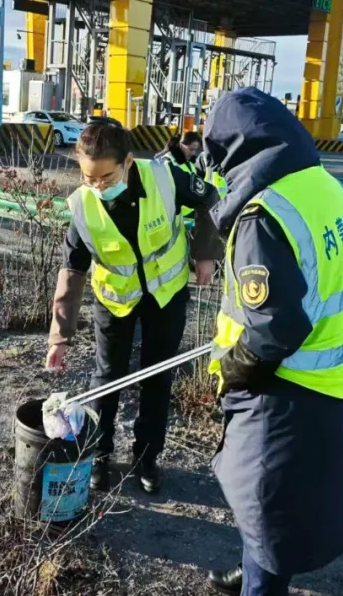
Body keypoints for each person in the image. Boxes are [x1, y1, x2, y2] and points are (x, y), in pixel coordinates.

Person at [196, 88, 343, 596]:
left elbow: (274, 326)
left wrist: (237, 367)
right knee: (267, 499)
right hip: (329, 375)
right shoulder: (322, 185)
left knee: (265, 502)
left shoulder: (263, 216)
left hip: (284, 384)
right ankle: (254, 574)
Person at [46, 123, 222, 494]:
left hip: (166, 296)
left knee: (157, 378)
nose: (97, 185)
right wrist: (59, 337)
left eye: (106, 176)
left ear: (128, 161)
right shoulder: (82, 204)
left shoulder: (165, 178)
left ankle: (147, 458)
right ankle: (99, 455)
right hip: (114, 301)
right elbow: (72, 269)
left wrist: (206, 254)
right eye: (88, 176)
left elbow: (211, 200)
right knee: (107, 377)